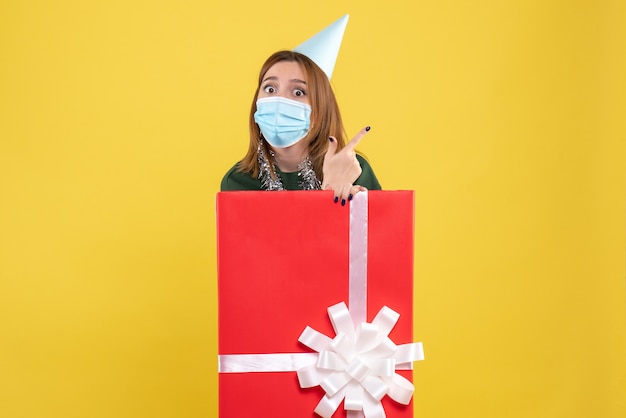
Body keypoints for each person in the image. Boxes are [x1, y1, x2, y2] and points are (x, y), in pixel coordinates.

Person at [220, 50, 381, 205]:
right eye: (270, 89)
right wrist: (328, 193)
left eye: (298, 92)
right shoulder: (238, 181)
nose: (279, 100)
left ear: (320, 109)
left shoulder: (350, 169)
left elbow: (380, 231)